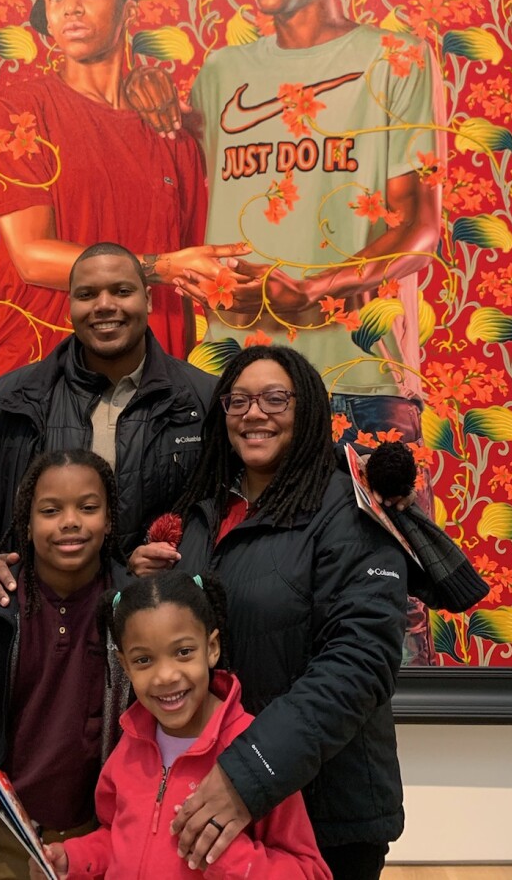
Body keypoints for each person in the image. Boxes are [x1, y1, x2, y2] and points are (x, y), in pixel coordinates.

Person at [179, 0, 447, 665]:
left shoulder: (393, 58)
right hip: (230, 383)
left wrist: (322, 287)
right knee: (228, 615)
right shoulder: (220, 72)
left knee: (385, 617)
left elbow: (419, 224)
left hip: (358, 375)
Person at [130, 345, 408, 880]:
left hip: (323, 810)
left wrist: (249, 773)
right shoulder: (201, 511)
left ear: (306, 412)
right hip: (215, 803)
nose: (254, 413)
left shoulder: (350, 511)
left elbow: (359, 662)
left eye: (276, 398)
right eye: (238, 400)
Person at [0, 0, 246, 378]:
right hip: (43, 374)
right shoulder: (18, 112)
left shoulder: (171, 130)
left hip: (153, 376)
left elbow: (201, 270)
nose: (70, 8)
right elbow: (33, 256)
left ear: (128, 8)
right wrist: (163, 266)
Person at [0, 243, 215, 614]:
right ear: (70, 306)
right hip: (39, 624)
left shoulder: (203, 399)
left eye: (122, 291)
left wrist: (165, 570)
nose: (104, 305)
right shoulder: (13, 398)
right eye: (87, 294)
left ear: (147, 299)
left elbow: (226, 512)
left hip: (162, 628)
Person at [32, 569, 330, 880]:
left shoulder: (255, 751)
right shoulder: (130, 743)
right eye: (144, 660)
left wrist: (225, 858)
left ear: (211, 648)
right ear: (124, 665)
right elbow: (117, 836)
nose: (165, 676)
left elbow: (309, 871)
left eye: (183, 652)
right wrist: (75, 859)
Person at [0, 449, 127, 880]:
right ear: (26, 524)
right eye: (50, 510)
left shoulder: (134, 611)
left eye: (88, 508)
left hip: (103, 835)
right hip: (7, 835)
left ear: (109, 519)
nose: (70, 521)